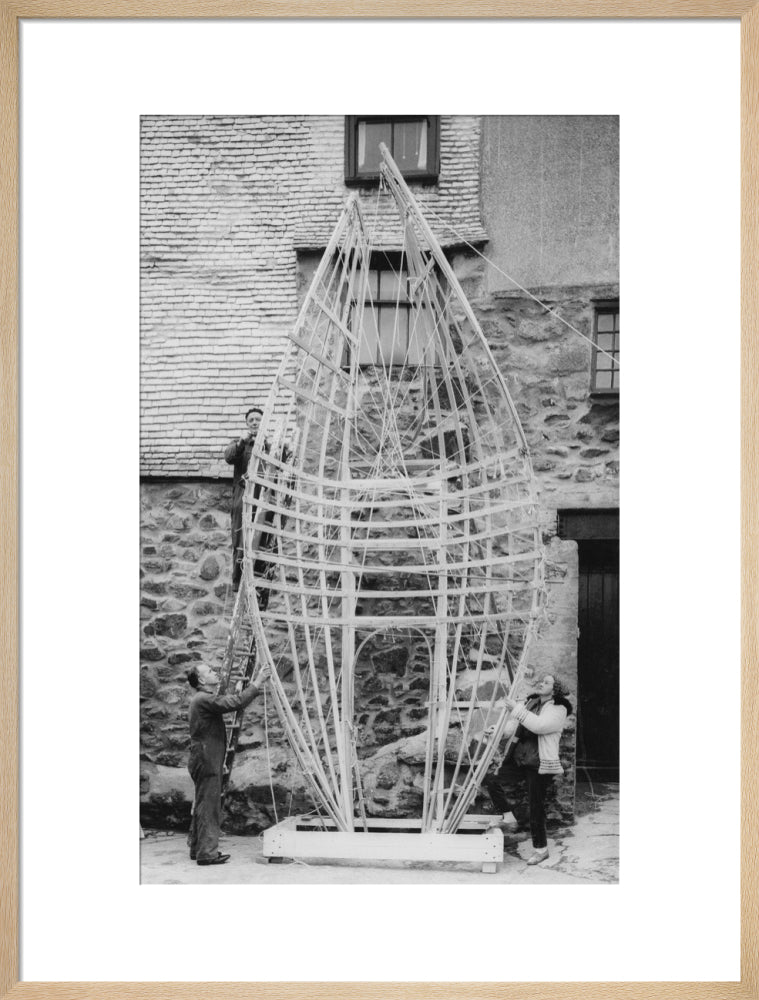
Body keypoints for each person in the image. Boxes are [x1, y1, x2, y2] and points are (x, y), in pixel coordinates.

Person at [185, 661, 271, 865]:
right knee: (209, 807)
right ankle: (207, 853)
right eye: (210, 671)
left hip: (205, 757)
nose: (215, 673)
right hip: (206, 758)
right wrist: (257, 682)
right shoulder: (204, 699)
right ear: (202, 680)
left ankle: (198, 848)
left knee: (203, 804)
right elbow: (235, 702)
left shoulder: (202, 699)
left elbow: (232, 701)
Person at [484, 674, 572, 866]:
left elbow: (539, 726)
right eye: (541, 680)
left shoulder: (559, 708)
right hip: (520, 757)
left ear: (555, 689)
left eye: (547, 682)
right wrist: (496, 730)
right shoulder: (532, 703)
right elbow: (517, 726)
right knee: (492, 778)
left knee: (536, 806)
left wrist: (516, 709)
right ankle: (508, 817)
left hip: (540, 762)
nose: (541, 683)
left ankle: (541, 850)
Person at [224, 407, 266, 590]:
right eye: (251, 420)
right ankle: (238, 581)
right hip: (243, 496)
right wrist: (243, 442)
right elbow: (228, 456)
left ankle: (258, 580)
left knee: (261, 537)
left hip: (262, 498)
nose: (255, 422)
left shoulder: (269, 445)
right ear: (247, 424)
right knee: (240, 536)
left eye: (258, 420)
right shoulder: (240, 444)